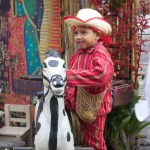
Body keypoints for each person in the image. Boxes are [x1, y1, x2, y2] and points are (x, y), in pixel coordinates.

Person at [64, 8, 114, 150]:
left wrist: (66, 76)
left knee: (96, 142)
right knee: (89, 138)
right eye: (76, 33)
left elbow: (101, 75)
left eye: (84, 33)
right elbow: (73, 77)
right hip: (80, 103)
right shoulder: (79, 54)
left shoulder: (99, 52)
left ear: (97, 35)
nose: (78, 37)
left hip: (95, 105)